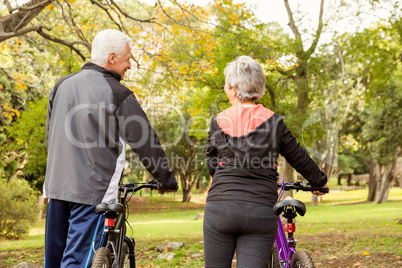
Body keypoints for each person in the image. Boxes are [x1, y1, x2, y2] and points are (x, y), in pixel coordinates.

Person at [44, 29, 178, 267]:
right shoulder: (118, 93)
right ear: (113, 58)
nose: (129, 65)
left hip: (55, 188)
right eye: (128, 58)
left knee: (54, 259)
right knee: (77, 260)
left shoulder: (61, 85)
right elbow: (145, 141)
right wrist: (166, 179)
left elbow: (50, 137)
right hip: (92, 191)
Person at [204, 55, 328, 268]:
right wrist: (319, 181)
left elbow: (212, 165)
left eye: (226, 84)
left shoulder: (218, 121)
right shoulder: (274, 121)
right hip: (259, 210)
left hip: (220, 209)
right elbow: (298, 155)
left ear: (233, 89)